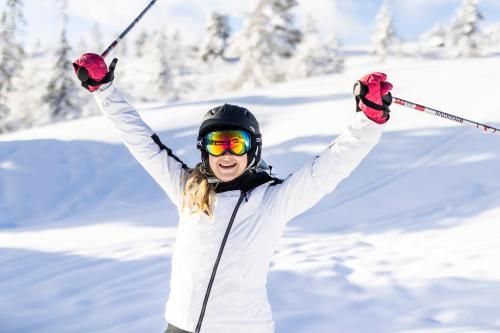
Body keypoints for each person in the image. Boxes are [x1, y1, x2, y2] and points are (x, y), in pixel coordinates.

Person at [73, 53, 393, 333]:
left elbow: (328, 168)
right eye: (217, 143)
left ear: (252, 149)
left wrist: (368, 121)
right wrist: (104, 90)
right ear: (204, 150)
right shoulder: (189, 191)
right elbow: (141, 141)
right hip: (180, 325)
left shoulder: (272, 200)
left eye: (236, 143)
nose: (227, 154)